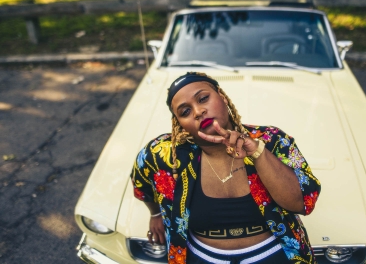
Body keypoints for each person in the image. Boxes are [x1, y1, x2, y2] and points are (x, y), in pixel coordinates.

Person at [130, 72, 321, 263]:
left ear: (221, 96)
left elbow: (302, 203)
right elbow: (141, 185)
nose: (198, 112)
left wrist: (257, 152)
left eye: (203, 98)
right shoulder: (162, 154)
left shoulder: (272, 140)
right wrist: (155, 214)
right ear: (179, 124)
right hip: (203, 257)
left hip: (272, 254)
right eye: (185, 112)